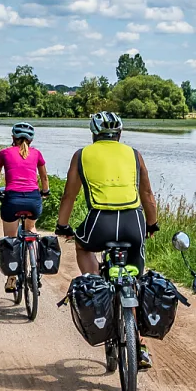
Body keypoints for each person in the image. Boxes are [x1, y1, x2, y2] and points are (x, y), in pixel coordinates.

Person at [54, 111, 161, 368]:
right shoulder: (134, 154)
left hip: (100, 222)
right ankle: (139, 344)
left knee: (82, 245)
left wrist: (62, 226)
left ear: (94, 134)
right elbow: (147, 193)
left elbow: (69, 195)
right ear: (119, 134)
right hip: (133, 223)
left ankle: (95, 284)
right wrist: (152, 223)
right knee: (135, 279)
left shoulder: (81, 155)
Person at [0, 122, 50, 291]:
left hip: (12, 200)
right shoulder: (37, 154)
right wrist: (45, 192)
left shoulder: (4, 153)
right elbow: (44, 177)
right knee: (31, 228)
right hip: (33, 199)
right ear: (31, 140)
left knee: (11, 238)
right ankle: (36, 268)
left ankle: (11, 278)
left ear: (13, 137)